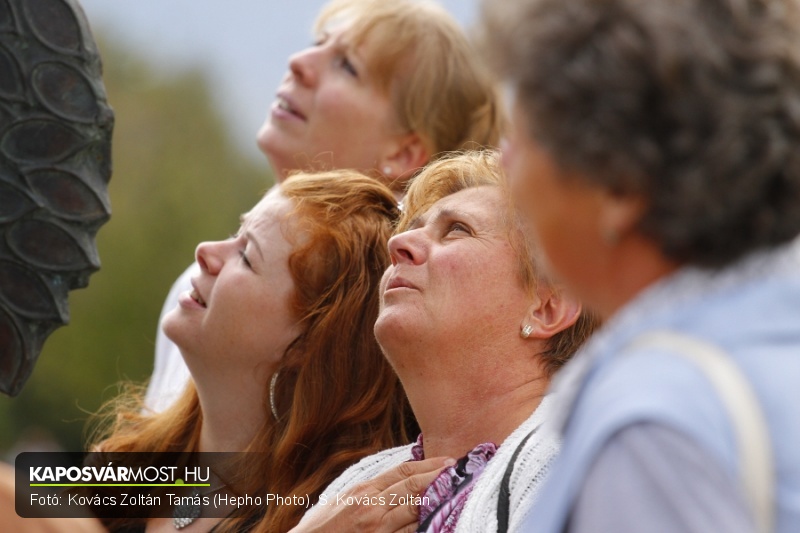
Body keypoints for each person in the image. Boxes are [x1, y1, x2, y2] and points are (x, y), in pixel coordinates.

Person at [482, 0, 800, 531]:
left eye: (525, 137)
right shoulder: (765, 338)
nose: (504, 162)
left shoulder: (655, 420)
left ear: (618, 185)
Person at [146, 0, 500, 411]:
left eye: (347, 66)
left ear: (403, 153)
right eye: (318, 43)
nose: (299, 62)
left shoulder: (385, 314)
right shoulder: (204, 277)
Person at [292, 151, 599, 533]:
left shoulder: (582, 466)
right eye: (412, 228)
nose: (397, 243)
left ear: (547, 307)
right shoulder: (360, 484)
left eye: (456, 230)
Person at [91, 172, 411, 532]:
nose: (206, 252)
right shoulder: (121, 466)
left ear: (307, 344)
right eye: (235, 234)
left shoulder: (336, 521)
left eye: (245, 255)